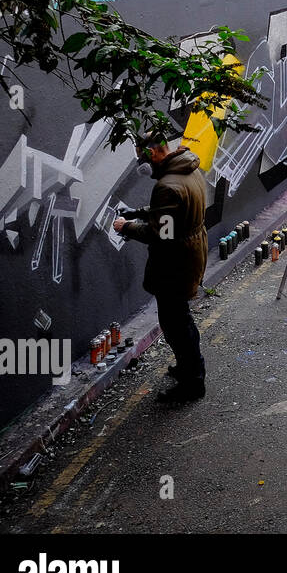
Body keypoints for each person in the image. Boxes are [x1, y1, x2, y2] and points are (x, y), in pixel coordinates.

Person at [113, 137, 208, 403]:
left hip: (175, 264)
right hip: (191, 253)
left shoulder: (167, 185)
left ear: (154, 152)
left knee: (176, 324)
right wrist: (139, 212)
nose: (142, 164)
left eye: (143, 158)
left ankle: (192, 383)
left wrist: (126, 227)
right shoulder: (188, 168)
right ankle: (190, 368)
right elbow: (173, 213)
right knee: (182, 320)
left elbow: (162, 233)